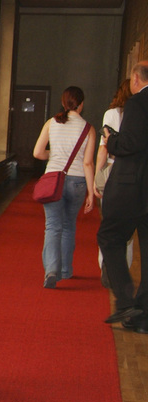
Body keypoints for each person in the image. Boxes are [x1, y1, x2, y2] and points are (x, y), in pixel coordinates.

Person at [98, 60, 148, 330]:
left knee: (110, 237)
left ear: (136, 79)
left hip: (132, 186)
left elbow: (132, 143)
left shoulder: (138, 102)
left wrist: (111, 139)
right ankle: (143, 317)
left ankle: (126, 300)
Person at [32, 86, 95, 289]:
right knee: (69, 226)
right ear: (81, 104)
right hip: (77, 182)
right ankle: (66, 269)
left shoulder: (51, 123)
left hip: (53, 179)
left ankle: (51, 271)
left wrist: (54, 155)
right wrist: (91, 192)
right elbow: (88, 163)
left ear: (63, 102)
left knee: (52, 226)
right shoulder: (88, 129)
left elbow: (37, 153)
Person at [94, 79, 133, 288]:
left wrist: (97, 176)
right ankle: (123, 269)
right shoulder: (141, 113)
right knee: (129, 226)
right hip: (134, 172)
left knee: (109, 222)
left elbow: (104, 147)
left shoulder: (111, 114)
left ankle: (106, 266)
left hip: (112, 170)